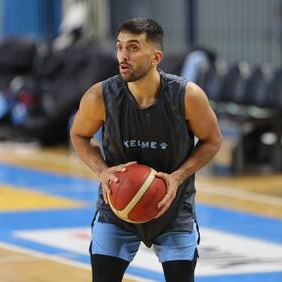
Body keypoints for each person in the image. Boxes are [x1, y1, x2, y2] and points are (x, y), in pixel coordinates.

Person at [69, 18, 222, 282]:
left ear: (156, 57)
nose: (123, 56)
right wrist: (102, 170)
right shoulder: (100, 96)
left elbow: (213, 140)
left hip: (172, 210)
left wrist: (177, 177)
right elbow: (79, 135)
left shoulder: (187, 96)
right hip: (116, 209)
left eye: (133, 48)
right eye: (119, 47)